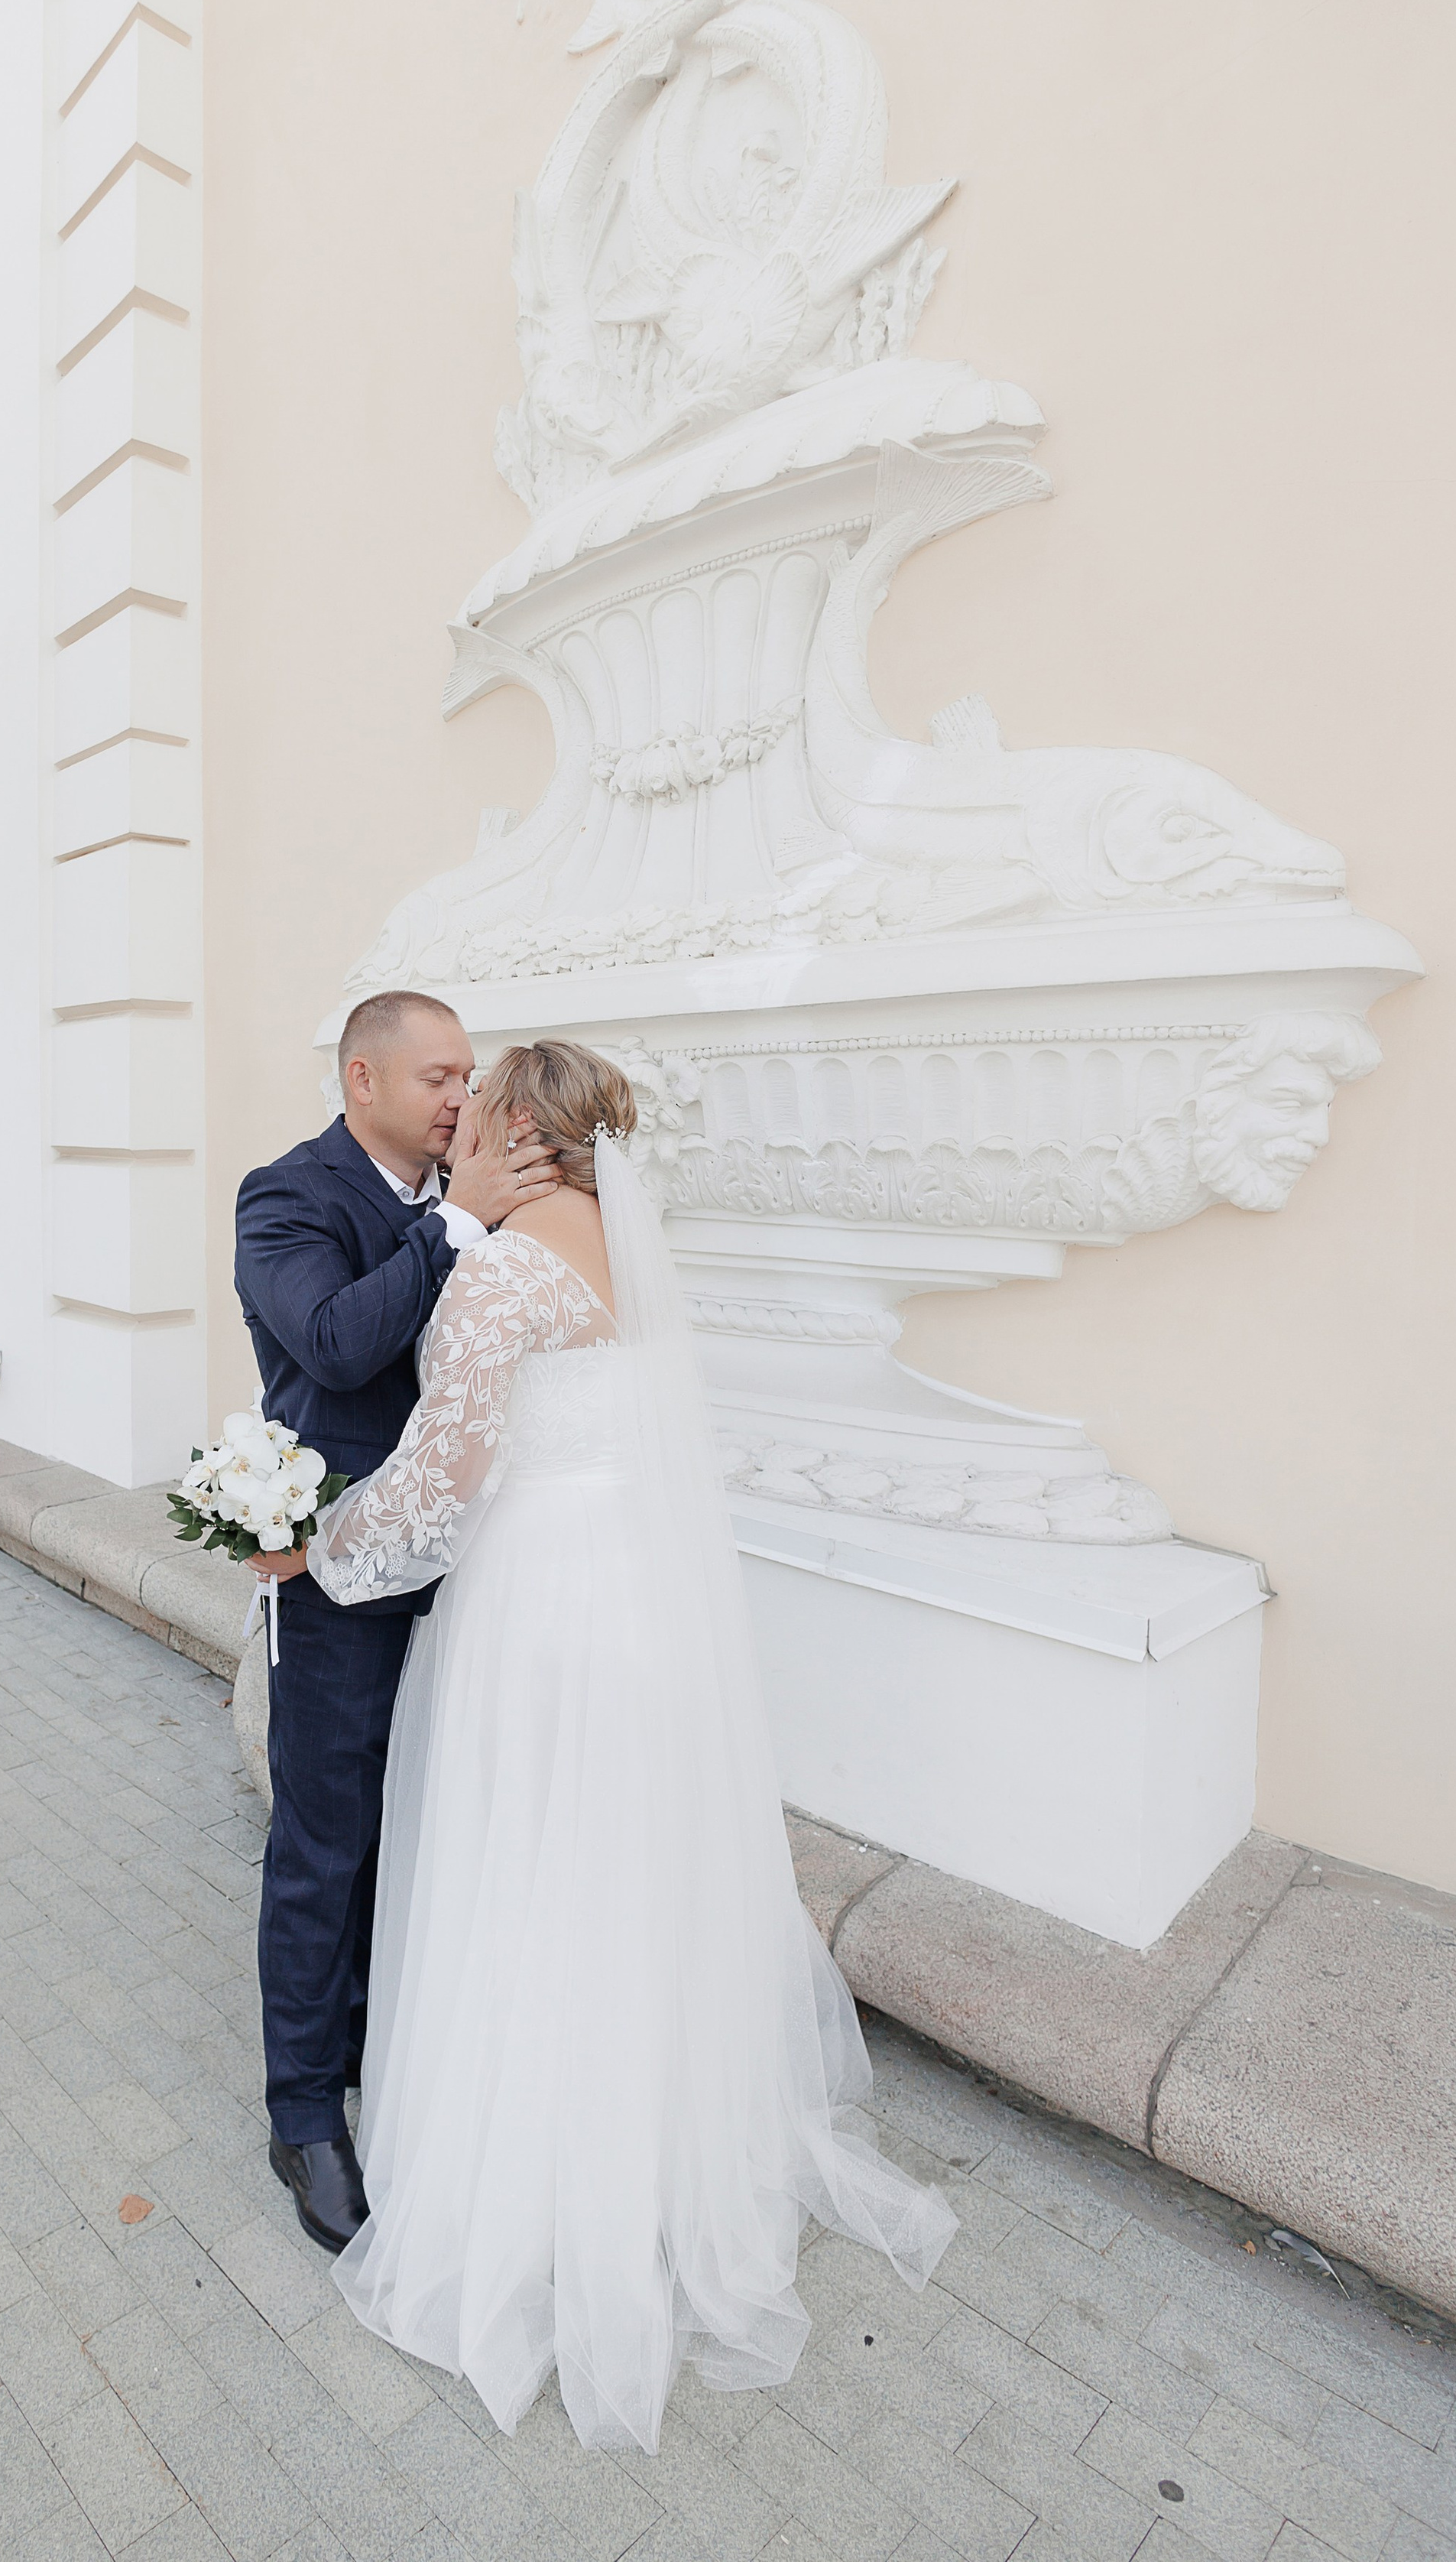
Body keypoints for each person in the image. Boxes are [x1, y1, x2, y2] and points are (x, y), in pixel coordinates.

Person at [300, 1037, 958, 2453]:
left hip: (538, 1602)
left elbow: (448, 1476)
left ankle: (539, 2191)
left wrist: (323, 1545)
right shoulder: (631, 1260)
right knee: (621, 1875)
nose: (461, 1123)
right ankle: (657, 2160)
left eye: (481, 1106)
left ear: (522, 1132)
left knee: (529, 1864)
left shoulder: (504, 1272)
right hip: (639, 1597)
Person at [234, 991, 560, 2252]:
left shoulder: (474, 1193)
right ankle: (304, 2113)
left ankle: (386, 2040)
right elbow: (336, 1346)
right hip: (335, 1573)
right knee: (325, 1841)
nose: (461, 1100)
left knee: (422, 1818)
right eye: (438, 1078)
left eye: (469, 1076)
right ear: (362, 1078)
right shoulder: (288, 1197)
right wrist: (459, 1223)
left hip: (470, 1564)